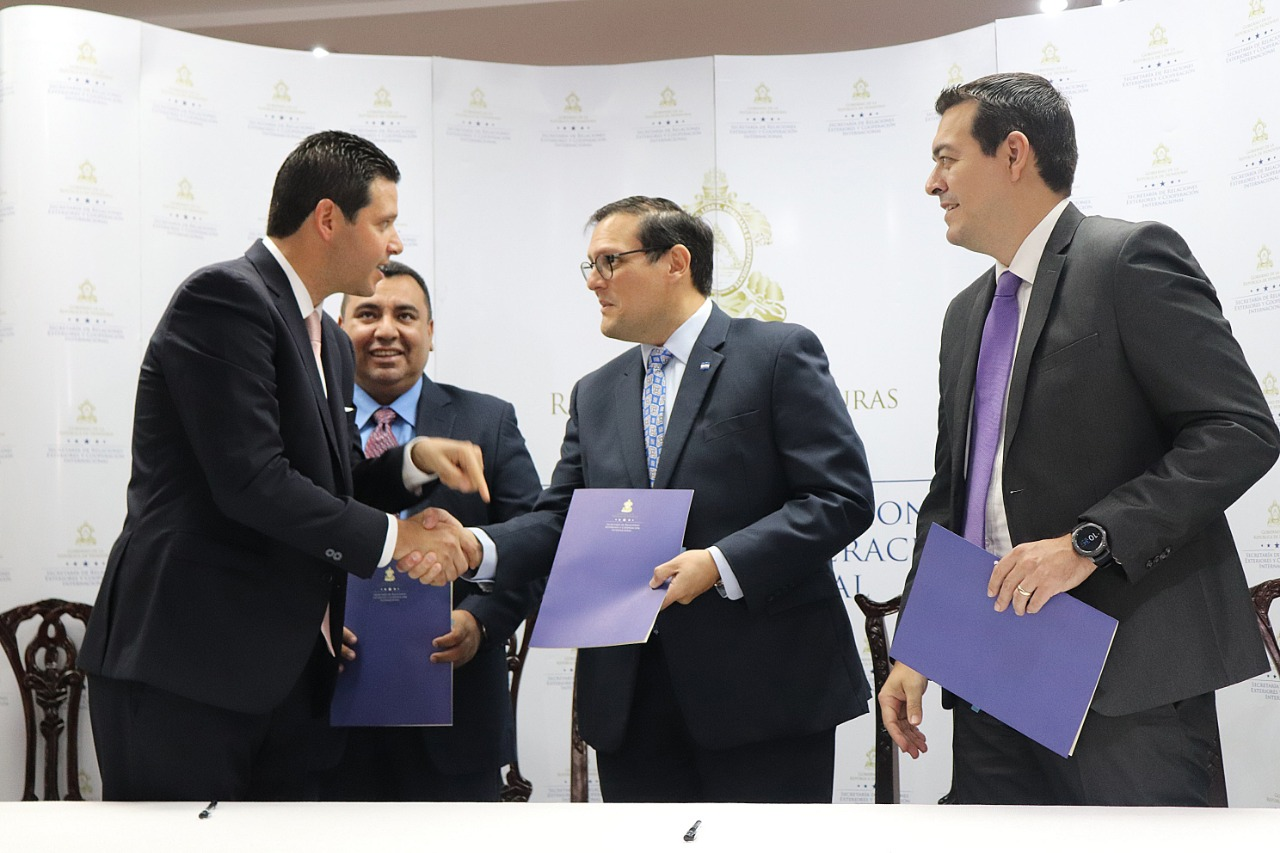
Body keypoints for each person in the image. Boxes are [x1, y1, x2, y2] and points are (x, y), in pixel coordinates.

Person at [880, 73, 1280, 806]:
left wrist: (1088, 541)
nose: (931, 183)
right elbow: (952, 496)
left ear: (1013, 154)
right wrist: (919, 641)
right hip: (987, 673)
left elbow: (1239, 429)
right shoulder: (965, 313)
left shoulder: (1129, 258)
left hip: (1124, 680)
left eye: (946, 157)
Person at [81, 131, 487, 801]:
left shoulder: (325, 336)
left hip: (288, 677)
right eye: (384, 222)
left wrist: (412, 462)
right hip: (188, 668)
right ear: (329, 219)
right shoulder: (225, 298)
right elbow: (252, 482)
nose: (396, 244)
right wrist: (397, 540)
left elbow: (330, 481)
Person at [453, 196, 875, 803]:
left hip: (763, 696)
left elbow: (840, 497)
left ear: (676, 261)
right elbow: (561, 519)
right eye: (588, 266)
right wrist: (476, 547)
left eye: (609, 261)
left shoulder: (777, 355)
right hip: (631, 703)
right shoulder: (596, 392)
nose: (593, 281)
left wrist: (720, 564)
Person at [323, 261, 544, 801]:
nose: (386, 330)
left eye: (406, 315)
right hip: (322, 710)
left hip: (457, 710)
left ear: (430, 332)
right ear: (337, 329)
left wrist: (480, 622)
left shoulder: (486, 422)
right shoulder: (310, 420)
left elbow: (536, 540)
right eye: (368, 313)